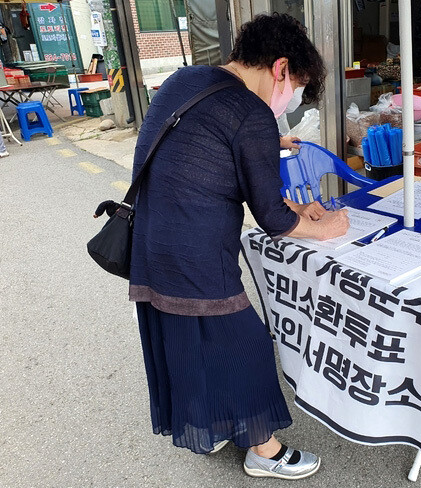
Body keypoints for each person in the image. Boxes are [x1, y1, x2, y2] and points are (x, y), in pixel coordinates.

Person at [129, 13, 349, 480]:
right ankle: (263, 451)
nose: (285, 100)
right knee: (242, 342)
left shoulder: (185, 80)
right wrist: (324, 228)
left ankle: (209, 426)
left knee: (187, 340)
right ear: (280, 68)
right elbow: (272, 220)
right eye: (293, 86)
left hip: (149, 243)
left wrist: (285, 185)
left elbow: (216, 161)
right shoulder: (250, 113)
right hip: (195, 250)